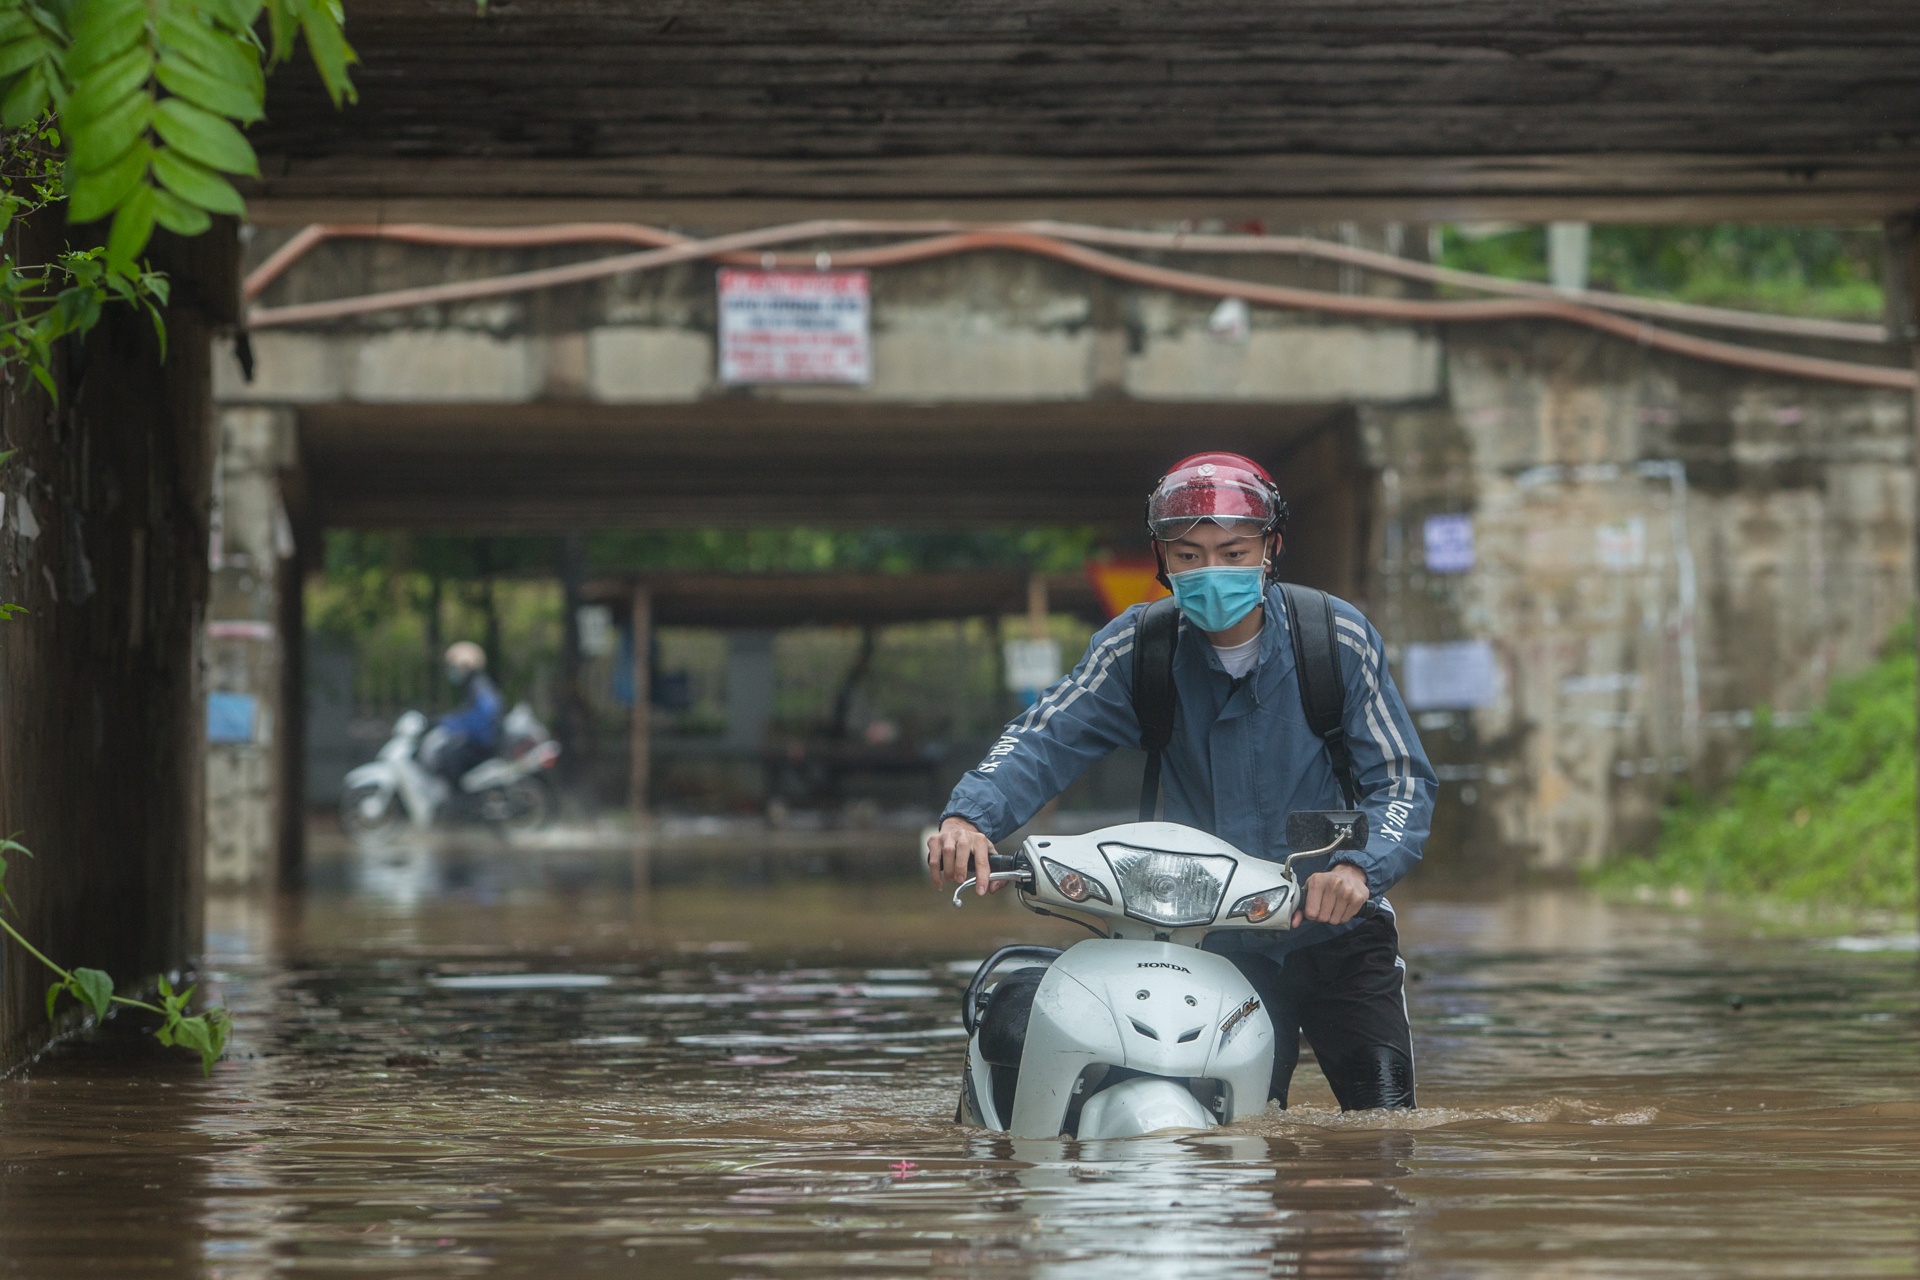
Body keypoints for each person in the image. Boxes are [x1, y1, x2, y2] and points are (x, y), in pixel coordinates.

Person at [926, 452, 1436, 1111]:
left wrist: (1358, 870)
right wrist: (969, 818)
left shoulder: (1335, 639)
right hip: (1209, 933)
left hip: (1337, 924)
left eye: (1232, 551)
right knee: (1222, 1136)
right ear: (1161, 560)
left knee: (1382, 1134)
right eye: (1189, 555)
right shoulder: (1138, 649)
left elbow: (1401, 783)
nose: (1210, 572)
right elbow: (1043, 739)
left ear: (1271, 548)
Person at [431, 641, 503, 784]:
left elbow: (481, 716)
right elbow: (466, 713)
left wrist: (449, 724)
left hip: (483, 743)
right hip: (482, 741)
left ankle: (459, 802)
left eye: (453, 667)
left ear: (464, 667)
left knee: (448, 759)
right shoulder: (474, 686)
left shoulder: (478, 687)